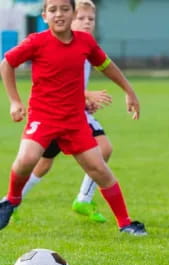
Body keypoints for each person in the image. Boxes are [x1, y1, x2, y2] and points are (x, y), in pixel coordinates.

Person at [0, 0, 146, 236]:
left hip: (74, 121)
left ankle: (125, 223)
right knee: (27, 158)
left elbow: (106, 66)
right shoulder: (36, 42)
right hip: (43, 117)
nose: (59, 14)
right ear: (45, 15)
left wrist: (129, 91)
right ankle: (11, 200)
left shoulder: (85, 42)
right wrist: (15, 101)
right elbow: (7, 64)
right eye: (53, 10)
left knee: (99, 168)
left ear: (73, 13)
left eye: (65, 9)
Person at [20, 0, 112, 224]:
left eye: (91, 19)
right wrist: (85, 96)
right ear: (71, 18)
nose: (87, 23)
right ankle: (11, 201)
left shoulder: (85, 45)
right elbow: (57, 86)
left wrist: (84, 99)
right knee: (43, 163)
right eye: (82, 18)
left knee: (102, 149)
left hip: (75, 114)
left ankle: (83, 198)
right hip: (57, 115)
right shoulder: (62, 44)